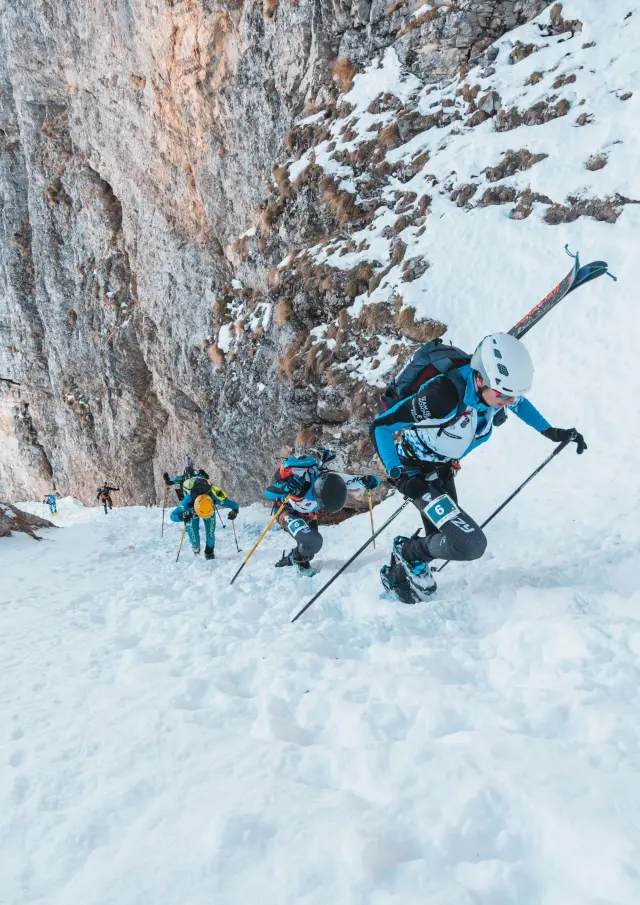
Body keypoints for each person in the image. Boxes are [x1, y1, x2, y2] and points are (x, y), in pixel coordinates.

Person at [369, 332, 586, 604]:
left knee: (441, 539)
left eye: (512, 395)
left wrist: (551, 431)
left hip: (442, 468)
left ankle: (403, 566)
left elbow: (518, 403)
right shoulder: (442, 397)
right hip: (416, 473)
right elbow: (381, 426)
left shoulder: (494, 391)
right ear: (480, 378)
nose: (510, 401)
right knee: (468, 545)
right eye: (504, 395)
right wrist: (399, 476)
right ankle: (408, 551)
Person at [264, 453, 380, 575]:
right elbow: (268, 493)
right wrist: (286, 487)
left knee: (310, 548)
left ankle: (291, 558)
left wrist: (370, 480)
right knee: (311, 542)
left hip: (307, 514)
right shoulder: (299, 481)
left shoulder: (332, 480)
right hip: (286, 510)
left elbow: (354, 481)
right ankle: (298, 561)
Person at [169, 474, 238, 559]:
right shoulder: (187, 501)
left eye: (207, 515)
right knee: (193, 535)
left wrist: (235, 511)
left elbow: (233, 505)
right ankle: (195, 547)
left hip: (208, 508)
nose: (205, 517)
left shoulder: (214, 496)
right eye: (204, 515)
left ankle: (209, 552)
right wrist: (182, 517)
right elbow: (172, 516)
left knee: (210, 534)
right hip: (192, 510)